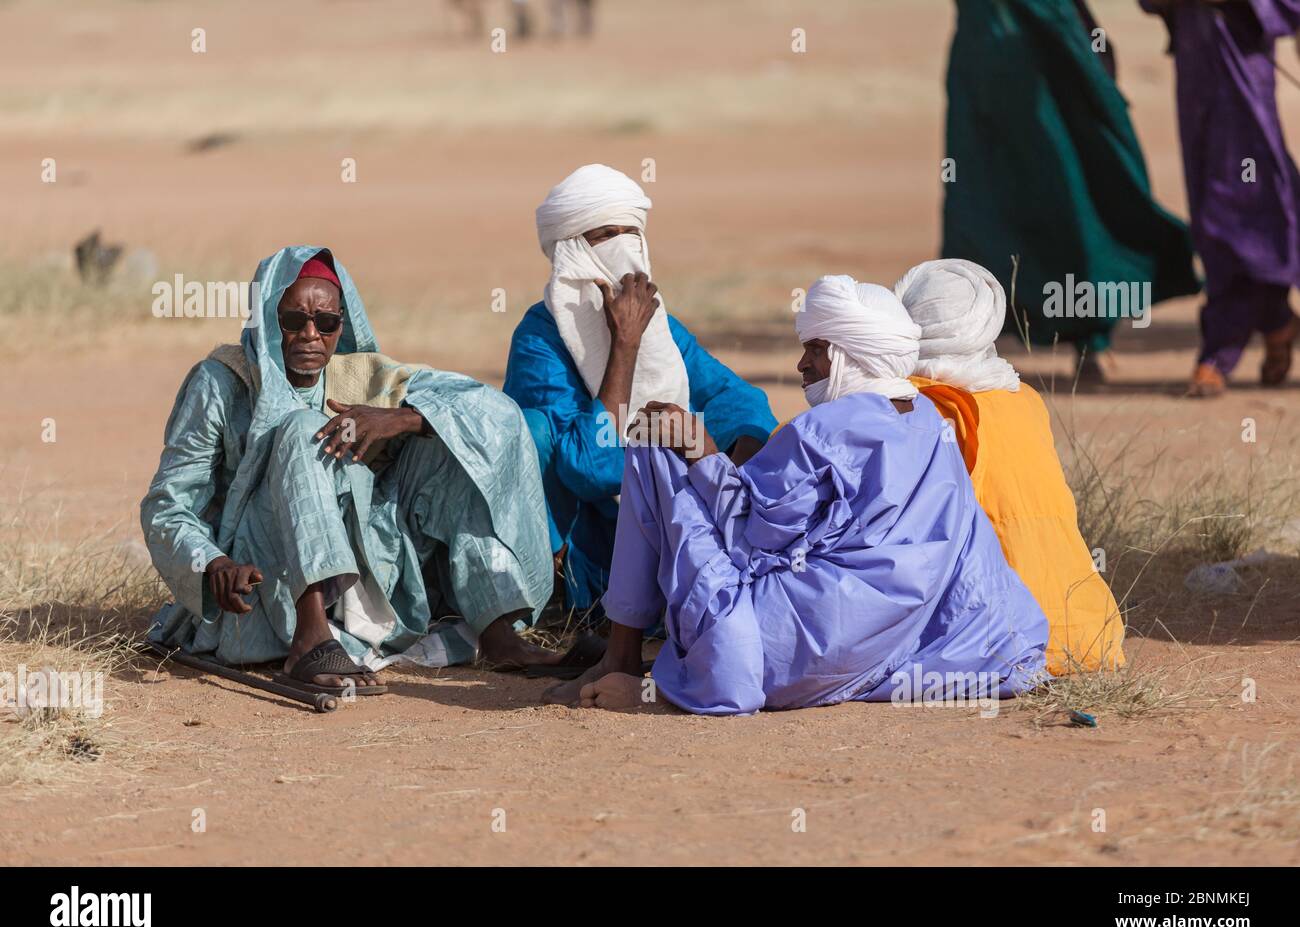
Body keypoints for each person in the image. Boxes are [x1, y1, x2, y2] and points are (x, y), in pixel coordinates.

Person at [543, 275, 1049, 714]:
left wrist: (699, 451)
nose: (801, 364)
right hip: (882, 643)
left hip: (790, 651)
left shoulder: (826, 428)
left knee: (653, 447)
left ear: (850, 353)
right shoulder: (931, 423)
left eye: (815, 349)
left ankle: (622, 659)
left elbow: (751, 535)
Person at [142, 246, 563, 695]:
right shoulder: (222, 382)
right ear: (266, 320)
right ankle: (310, 635)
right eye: (292, 321)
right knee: (303, 427)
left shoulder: (361, 377)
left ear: (340, 326)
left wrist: (404, 419)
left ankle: (497, 632)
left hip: (371, 570)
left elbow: (492, 411)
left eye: (326, 323)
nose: (310, 335)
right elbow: (168, 504)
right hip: (262, 577)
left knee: (446, 433)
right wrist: (213, 564)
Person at [503, 164, 776, 611]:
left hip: (659, 522)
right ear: (573, 249)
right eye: (607, 235)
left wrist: (728, 476)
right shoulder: (540, 338)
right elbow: (588, 468)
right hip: (585, 536)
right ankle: (551, 595)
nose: (625, 248)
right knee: (530, 428)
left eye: (633, 234)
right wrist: (624, 345)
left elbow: (739, 401)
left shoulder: (660, 327)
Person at [942, 0, 1200, 382]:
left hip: (1053, 59)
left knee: (1075, 197)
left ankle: (1092, 339)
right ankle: (970, 338)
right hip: (985, 69)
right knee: (981, 211)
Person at [896, 258, 1125, 674]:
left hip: (1003, 637)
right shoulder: (1024, 398)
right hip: (1092, 632)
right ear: (984, 324)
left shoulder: (920, 406)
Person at [1142, 0, 1300, 396]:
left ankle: (1220, 351)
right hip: (1196, 67)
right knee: (1209, 205)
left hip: (1244, 67)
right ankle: (1276, 320)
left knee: (1248, 203)